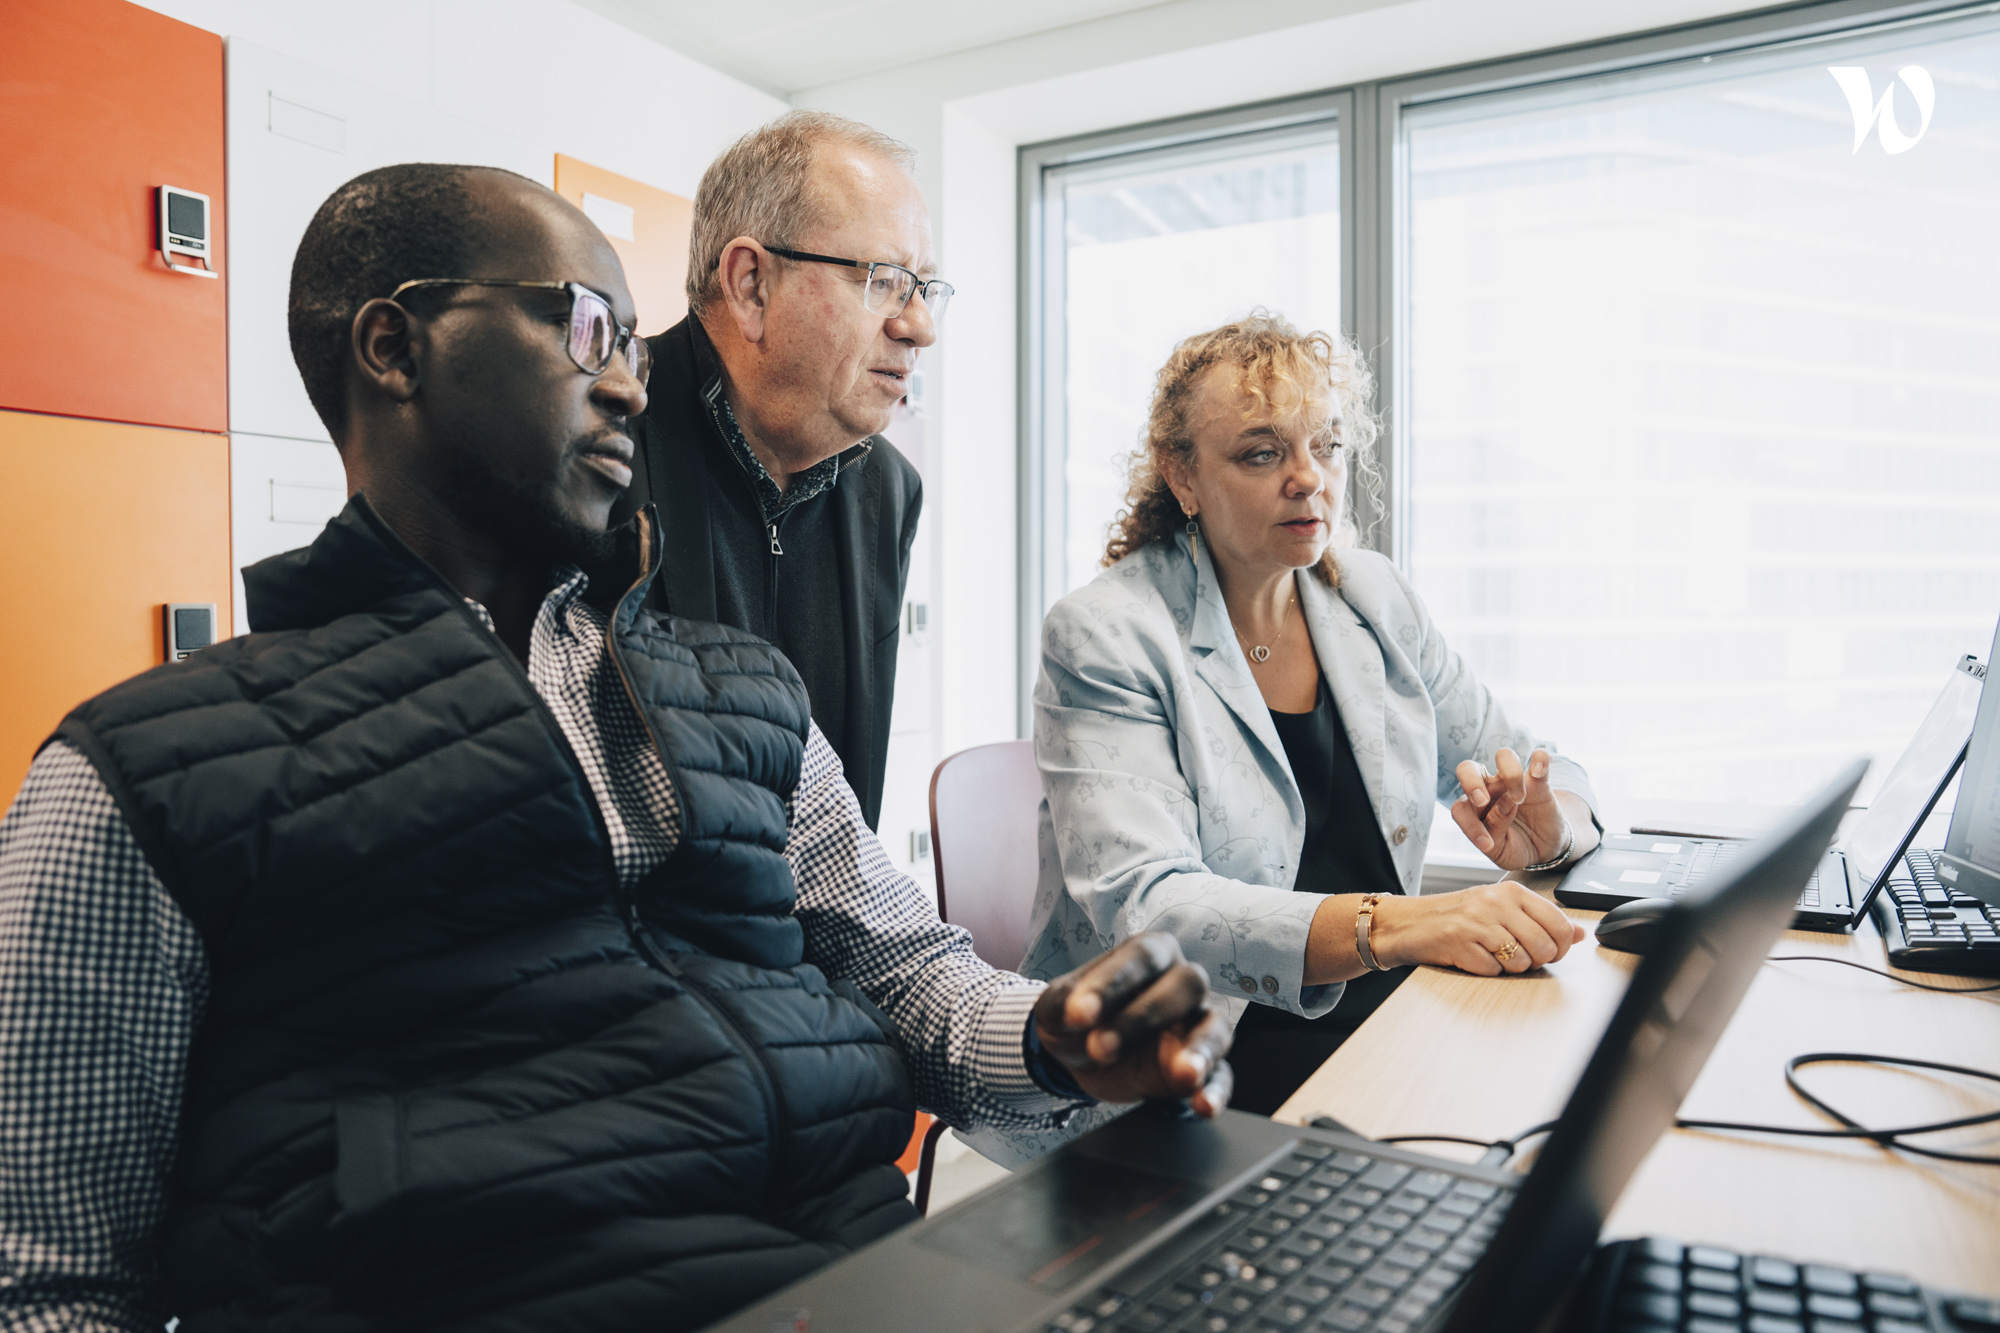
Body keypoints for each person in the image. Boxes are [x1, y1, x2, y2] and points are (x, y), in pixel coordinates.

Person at [0, 164, 1230, 1333]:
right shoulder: (149, 772)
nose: (633, 386)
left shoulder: (744, 694)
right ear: (394, 348)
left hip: (856, 1280)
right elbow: (48, 1281)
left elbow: (898, 970)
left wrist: (1052, 1033)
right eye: (586, 328)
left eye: (635, 350)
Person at [1019, 312, 1599, 1119]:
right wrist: (1397, 926)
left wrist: (1552, 830)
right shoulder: (1108, 635)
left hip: (1380, 1024)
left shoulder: (1371, 595)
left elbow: (1543, 764)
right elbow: (1154, 908)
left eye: (1324, 444)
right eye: (1263, 453)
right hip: (1191, 1064)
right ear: (1181, 477)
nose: (1309, 478)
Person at [612, 110, 940, 830]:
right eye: (886, 281)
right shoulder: (600, 441)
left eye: (925, 288)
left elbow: (849, 807)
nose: (920, 326)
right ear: (752, 284)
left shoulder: (888, 490)